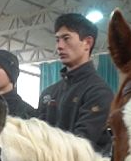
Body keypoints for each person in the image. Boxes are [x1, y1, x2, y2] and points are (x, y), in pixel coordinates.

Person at [36, 13, 112, 153]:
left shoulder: (99, 92)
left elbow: (82, 144)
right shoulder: (48, 93)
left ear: (87, 43)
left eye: (66, 38)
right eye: (57, 40)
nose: (59, 46)